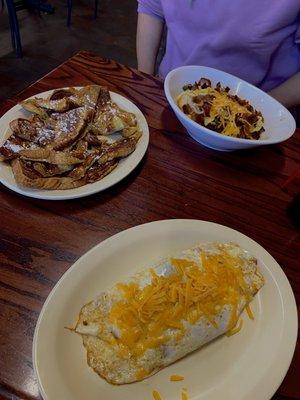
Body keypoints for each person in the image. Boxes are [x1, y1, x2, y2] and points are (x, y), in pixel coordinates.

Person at [136, 0, 300, 108]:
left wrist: (261, 108)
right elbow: (152, 9)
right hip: (170, 92)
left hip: (258, 109)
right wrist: (145, 81)